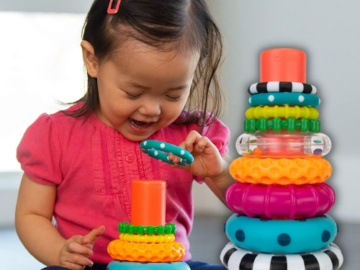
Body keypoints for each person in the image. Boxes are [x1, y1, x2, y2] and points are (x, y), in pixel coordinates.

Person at [15, 0, 236, 269]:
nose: (151, 109)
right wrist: (60, 250)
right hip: (91, 265)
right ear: (92, 60)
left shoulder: (194, 134)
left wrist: (220, 172)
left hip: (171, 264)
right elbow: (31, 214)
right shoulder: (54, 136)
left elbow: (244, 204)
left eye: (173, 94)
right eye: (133, 93)